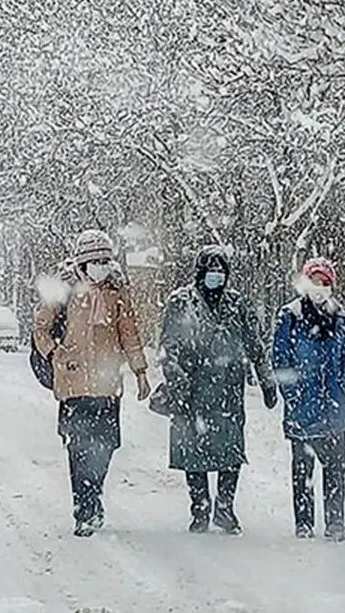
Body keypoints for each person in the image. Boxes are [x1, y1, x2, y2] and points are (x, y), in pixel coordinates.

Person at [33, 229, 150, 537]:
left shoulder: (116, 292)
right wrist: (56, 355)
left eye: (106, 260)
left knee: (106, 445)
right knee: (78, 448)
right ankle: (83, 510)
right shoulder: (65, 290)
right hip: (73, 385)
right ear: (83, 262)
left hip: (107, 384)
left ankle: (94, 494)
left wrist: (140, 371)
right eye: (96, 260)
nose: (102, 266)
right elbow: (41, 328)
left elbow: (130, 333)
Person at [157, 245, 278, 534]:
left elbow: (255, 345)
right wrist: (177, 379)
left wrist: (267, 381)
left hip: (227, 391)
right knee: (193, 450)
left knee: (230, 451)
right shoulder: (180, 302)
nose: (216, 277)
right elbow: (168, 348)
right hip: (191, 391)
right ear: (200, 273)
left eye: (221, 272)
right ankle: (200, 507)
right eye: (211, 271)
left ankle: (225, 508)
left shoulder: (237, 303)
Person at [272, 257, 345, 542]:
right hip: (303, 409)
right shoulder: (290, 315)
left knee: (335, 470)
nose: (320, 288)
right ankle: (304, 523)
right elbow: (280, 358)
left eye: (326, 283)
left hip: (334, 409)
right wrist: (293, 395)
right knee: (303, 471)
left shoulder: (341, 316)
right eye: (315, 281)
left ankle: (335, 522)